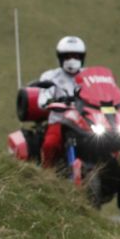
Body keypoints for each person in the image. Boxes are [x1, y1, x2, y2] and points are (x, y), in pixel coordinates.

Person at [35, 36, 88, 168]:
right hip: (60, 121)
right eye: (68, 56)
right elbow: (42, 100)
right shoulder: (50, 76)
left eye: (76, 56)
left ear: (82, 58)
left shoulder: (89, 75)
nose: (72, 60)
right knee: (50, 144)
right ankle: (46, 174)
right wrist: (51, 101)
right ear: (60, 57)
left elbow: (101, 93)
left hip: (87, 122)